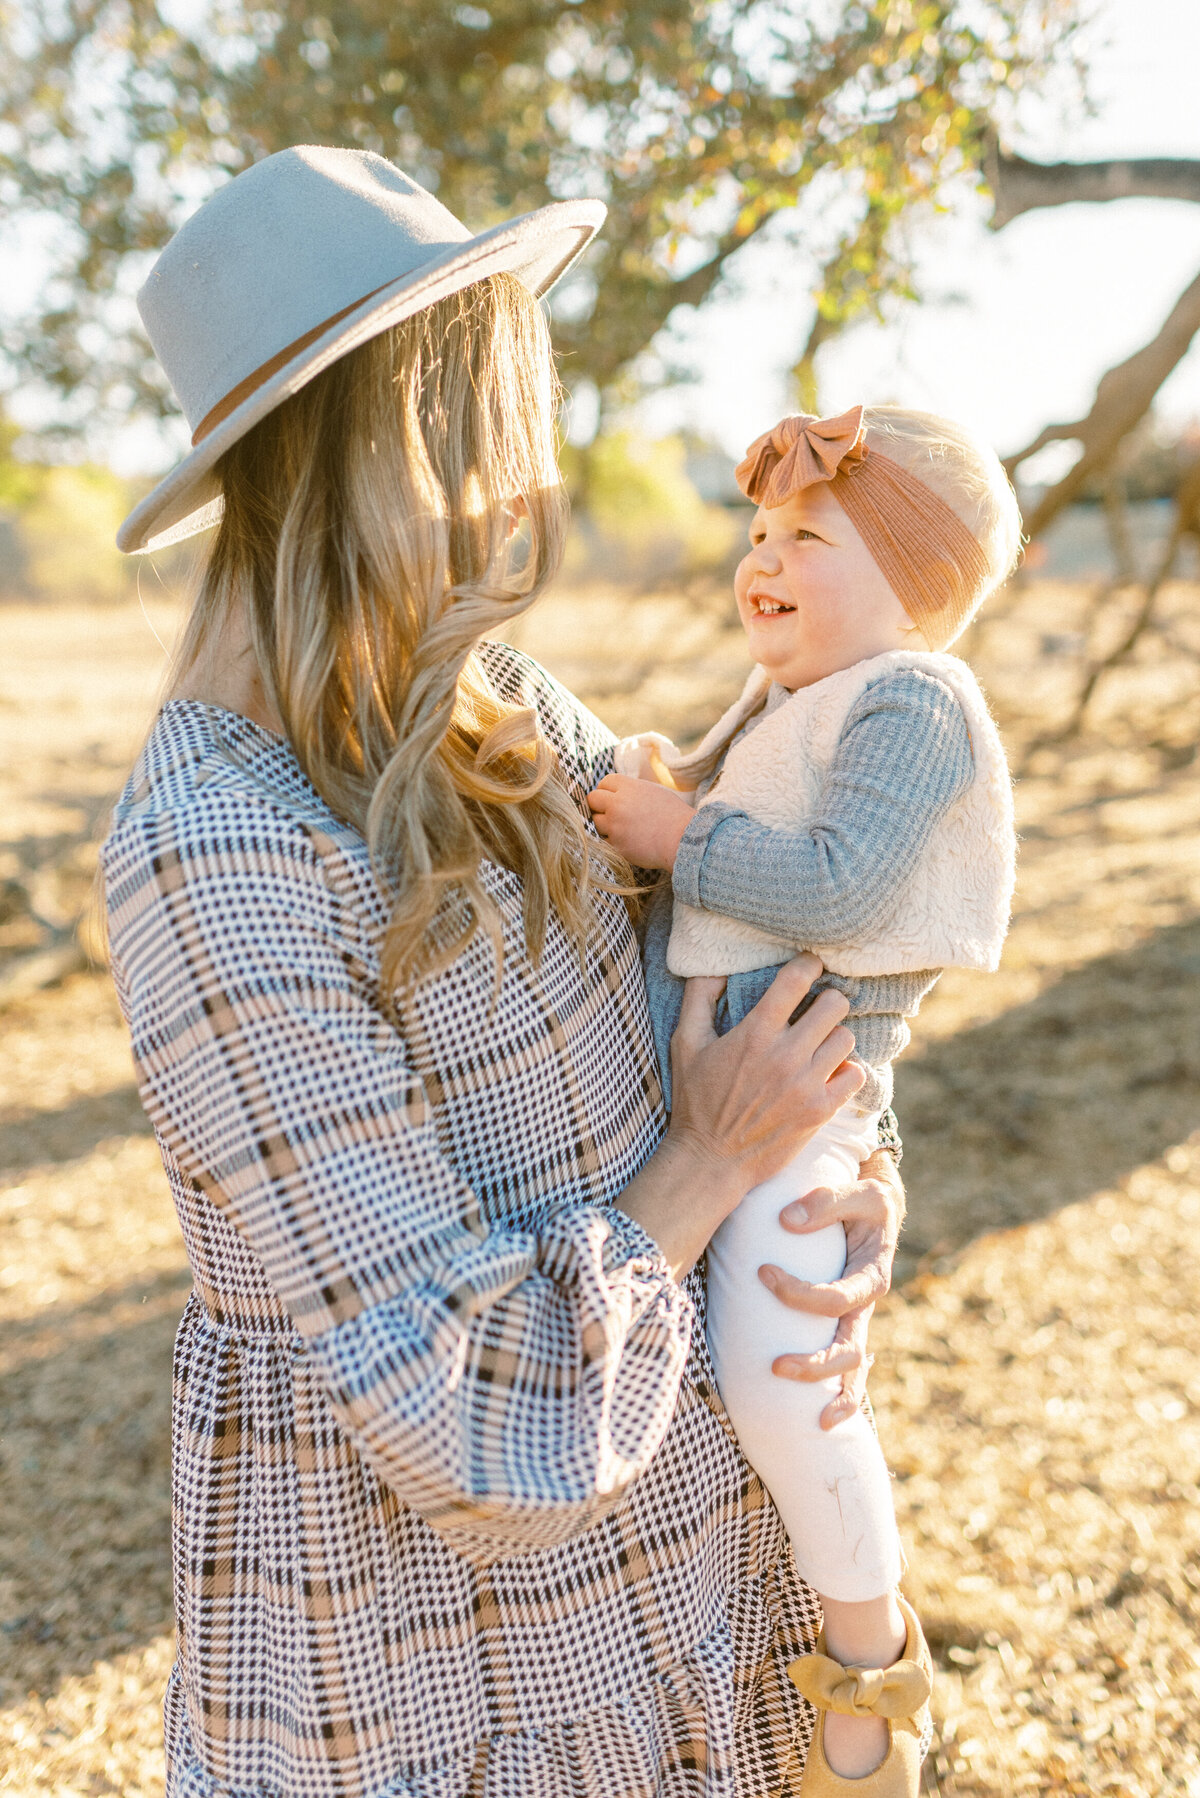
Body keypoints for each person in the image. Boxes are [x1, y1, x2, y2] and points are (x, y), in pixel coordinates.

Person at [101, 147, 907, 1798]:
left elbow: (738, 975)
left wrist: (830, 1180)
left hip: (679, 1574)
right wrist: (710, 1160)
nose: (521, 461)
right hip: (443, 1672)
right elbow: (465, 1426)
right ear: (401, 421)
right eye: (489, 392)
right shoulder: (213, 847)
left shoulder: (494, 697)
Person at [588, 404, 1020, 1796]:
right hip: (719, 1090)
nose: (761, 556)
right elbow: (723, 836)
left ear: (917, 581)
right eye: (758, 529)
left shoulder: (915, 699)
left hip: (799, 1104)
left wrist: (678, 832)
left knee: (786, 1384)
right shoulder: (788, 695)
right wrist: (674, 789)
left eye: (809, 535)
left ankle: (869, 1655)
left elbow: (840, 882)